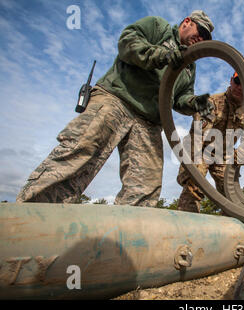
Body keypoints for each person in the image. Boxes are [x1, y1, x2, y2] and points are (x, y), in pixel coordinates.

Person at [16, 10, 215, 207]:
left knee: (145, 188)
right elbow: (127, 43)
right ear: (187, 22)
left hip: (149, 122)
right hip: (116, 99)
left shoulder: (189, 67)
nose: (202, 38)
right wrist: (162, 55)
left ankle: (126, 235)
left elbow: (180, 97)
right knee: (78, 154)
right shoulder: (158, 27)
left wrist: (194, 103)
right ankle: (26, 217)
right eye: (201, 31)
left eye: (206, 38)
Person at [176, 62, 244, 213]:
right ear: (231, 81)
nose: (240, 87)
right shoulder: (212, 102)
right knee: (195, 184)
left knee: (232, 196)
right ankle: (185, 223)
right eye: (238, 81)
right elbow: (197, 138)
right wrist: (191, 170)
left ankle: (230, 227)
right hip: (201, 149)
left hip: (224, 153)